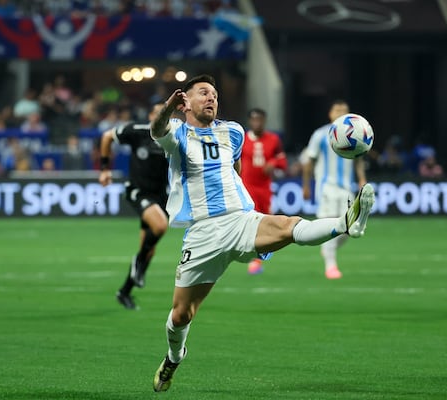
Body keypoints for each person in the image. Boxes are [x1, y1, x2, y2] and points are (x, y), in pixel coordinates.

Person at [149, 75, 374, 392]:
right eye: (203, 93)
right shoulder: (177, 133)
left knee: (288, 225)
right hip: (203, 233)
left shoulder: (233, 132)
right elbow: (156, 130)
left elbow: (235, 167)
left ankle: (346, 222)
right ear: (185, 101)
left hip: (241, 220)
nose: (212, 98)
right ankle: (174, 356)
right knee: (182, 313)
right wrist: (167, 109)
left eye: (214, 94)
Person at [98, 103, 170, 310]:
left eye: (165, 113)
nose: (161, 116)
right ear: (150, 115)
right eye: (157, 112)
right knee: (160, 227)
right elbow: (106, 137)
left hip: (160, 196)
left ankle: (124, 292)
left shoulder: (172, 136)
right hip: (138, 191)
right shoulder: (138, 131)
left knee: (150, 250)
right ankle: (137, 264)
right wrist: (105, 169)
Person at [302, 100, 368, 280]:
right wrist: (306, 185)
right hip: (326, 188)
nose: (340, 113)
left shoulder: (355, 134)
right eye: (337, 110)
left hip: (347, 187)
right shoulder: (320, 135)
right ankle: (331, 265)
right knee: (330, 225)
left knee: (349, 228)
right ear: (330, 114)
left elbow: (358, 159)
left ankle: (327, 249)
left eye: (344, 110)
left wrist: (362, 178)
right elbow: (309, 161)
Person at [240, 107, 287, 274]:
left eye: (260, 119)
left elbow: (282, 161)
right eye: (254, 119)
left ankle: (259, 256)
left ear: (264, 121)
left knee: (265, 222)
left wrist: (273, 163)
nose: (257, 123)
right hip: (246, 188)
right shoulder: (242, 138)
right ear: (249, 121)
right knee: (249, 223)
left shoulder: (273, 139)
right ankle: (252, 257)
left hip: (265, 189)